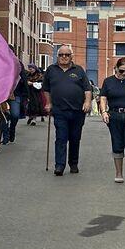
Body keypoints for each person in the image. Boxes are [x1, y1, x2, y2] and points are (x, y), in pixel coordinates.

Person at [47, 44, 93, 176]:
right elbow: (46, 89)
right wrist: (48, 103)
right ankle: (59, 166)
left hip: (77, 111)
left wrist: (87, 102)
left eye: (67, 55)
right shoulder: (51, 70)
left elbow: (87, 89)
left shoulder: (78, 70)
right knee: (61, 138)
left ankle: (73, 163)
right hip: (60, 111)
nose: (64, 57)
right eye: (61, 55)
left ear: (71, 56)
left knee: (74, 138)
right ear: (58, 56)